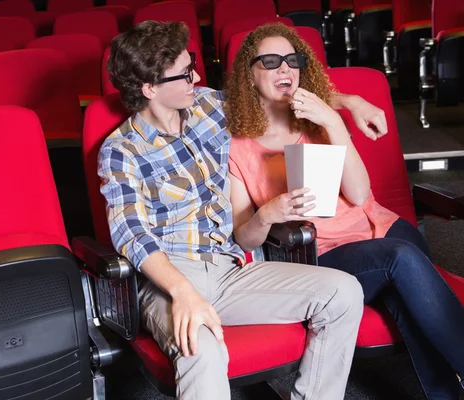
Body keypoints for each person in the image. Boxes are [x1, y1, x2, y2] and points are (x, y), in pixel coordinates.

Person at [98, 20, 365, 400]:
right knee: (200, 349)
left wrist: (348, 102)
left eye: (192, 67)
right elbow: (130, 234)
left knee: (343, 292)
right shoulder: (121, 149)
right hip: (169, 280)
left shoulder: (209, 105)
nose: (195, 77)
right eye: (184, 73)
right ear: (149, 88)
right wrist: (182, 291)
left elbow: (281, 94)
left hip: (230, 270)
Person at [224, 22, 464, 400]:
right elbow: (244, 235)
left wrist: (335, 118)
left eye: (292, 59)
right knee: (401, 261)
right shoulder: (237, 147)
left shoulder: (318, 119)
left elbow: (360, 192)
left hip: (382, 227)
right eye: (270, 61)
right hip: (323, 254)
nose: (284, 69)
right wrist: (268, 213)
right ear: (248, 76)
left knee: (404, 283)